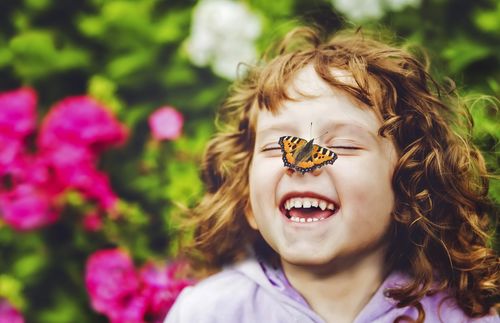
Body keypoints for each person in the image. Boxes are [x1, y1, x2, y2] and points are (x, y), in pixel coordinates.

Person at [164, 27, 499, 323]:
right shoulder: (208, 313)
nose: (303, 163)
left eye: (344, 146)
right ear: (247, 201)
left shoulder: (459, 316)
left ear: (411, 191)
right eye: (277, 147)